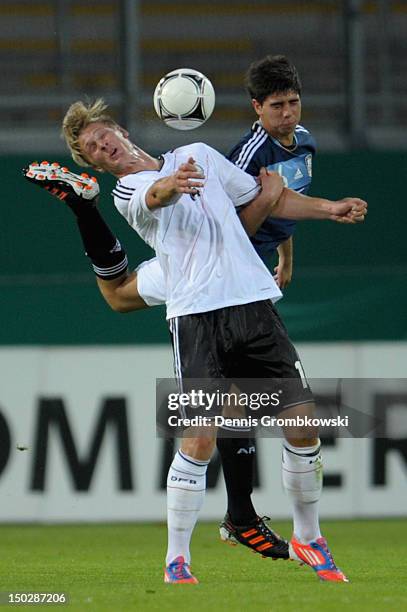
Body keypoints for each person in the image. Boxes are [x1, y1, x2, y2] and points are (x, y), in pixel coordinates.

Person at [24, 100, 365, 584]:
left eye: (105, 136)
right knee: (201, 435)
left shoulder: (199, 152)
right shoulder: (128, 189)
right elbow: (156, 197)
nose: (104, 147)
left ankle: (308, 536)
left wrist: (330, 208)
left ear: (121, 131)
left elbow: (266, 200)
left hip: (253, 303)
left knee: (303, 425)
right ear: (96, 164)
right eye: (94, 149)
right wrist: (172, 185)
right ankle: (177, 557)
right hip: (196, 315)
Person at [217, 54, 319, 555]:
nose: (288, 114)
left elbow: (285, 206)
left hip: (257, 281)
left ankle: (240, 516)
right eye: (276, 105)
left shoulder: (305, 143)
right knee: (264, 401)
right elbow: (224, 228)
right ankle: (245, 519)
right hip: (230, 285)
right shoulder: (248, 152)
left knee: (237, 399)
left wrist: (286, 253)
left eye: (294, 102)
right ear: (257, 107)